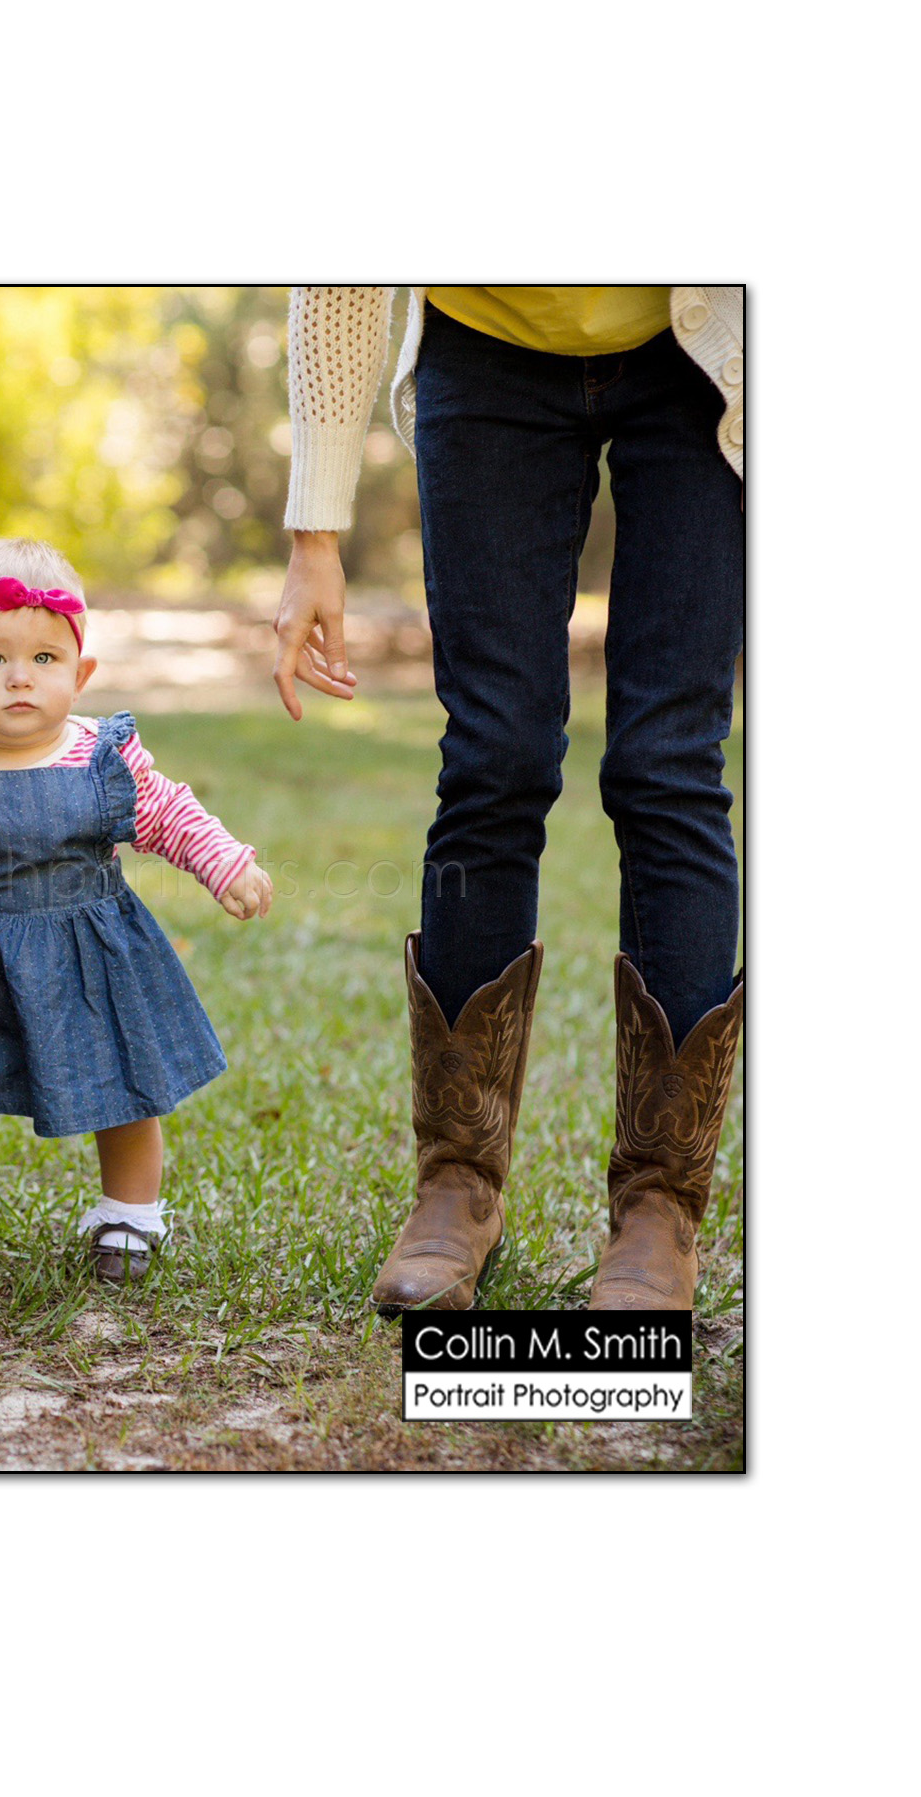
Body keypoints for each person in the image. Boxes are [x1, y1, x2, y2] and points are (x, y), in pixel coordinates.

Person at [275, 287, 744, 1314]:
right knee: (493, 757)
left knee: (668, 763)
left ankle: (659, 1209)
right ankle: (457, 1184)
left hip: (703, 352)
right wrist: (315, 531)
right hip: (486, 346)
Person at [0, 538, 273, 1286]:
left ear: (81, 674)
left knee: (126, 1097)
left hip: (95, 962)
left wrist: (222, 861)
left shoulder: (101, 758)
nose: (20, 678)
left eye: (45, 659)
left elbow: (167, 815)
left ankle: (129, 1216)